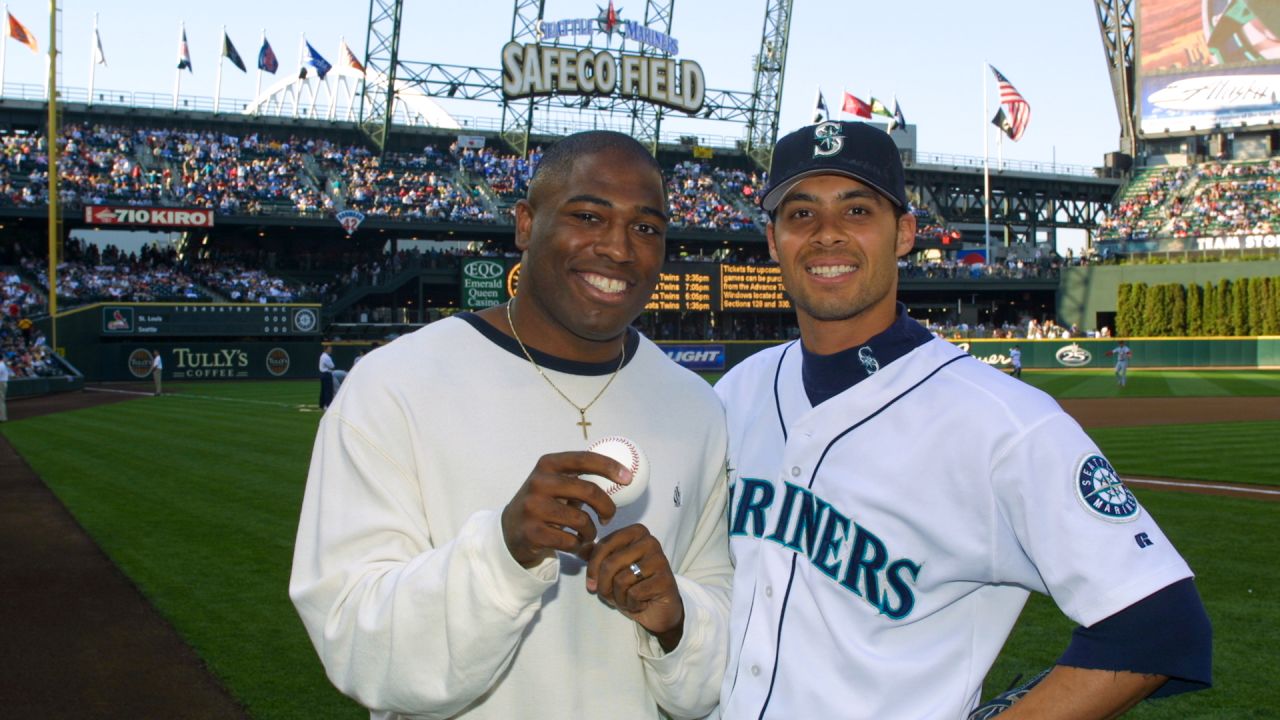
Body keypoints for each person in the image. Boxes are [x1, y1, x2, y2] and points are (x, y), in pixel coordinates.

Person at [713, 121, 1211, 719]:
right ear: (773, 239)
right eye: (800, 215)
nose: (826, 235)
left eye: (857, 211)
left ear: (903, 233)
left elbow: (1159, 623)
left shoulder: (1003, 423)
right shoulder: (739, 390)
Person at [290, 131, 731, 720]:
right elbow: (353, 643)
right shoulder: (394, 383)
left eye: (646, 228)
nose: (619, 249)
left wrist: (679, 621)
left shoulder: (694, 406)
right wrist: (505, 550)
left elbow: (721, 644)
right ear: (525, 224)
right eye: (588, 215)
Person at [317, 344, 335, 409]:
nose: (330, 350)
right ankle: (328, 405)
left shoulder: (322, 356)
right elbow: (332, 366)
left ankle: (321, 404)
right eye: (329, 348)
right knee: (328, 390)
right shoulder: (326, 357)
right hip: (327, 374)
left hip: (322, 374)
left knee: (323, 390)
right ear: (326, 349)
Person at [0, 355, 9, 421]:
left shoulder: (1, 365)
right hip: (3, 382)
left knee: (1, 401)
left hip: (1, 383)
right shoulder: (3, 364)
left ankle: (2, 417)